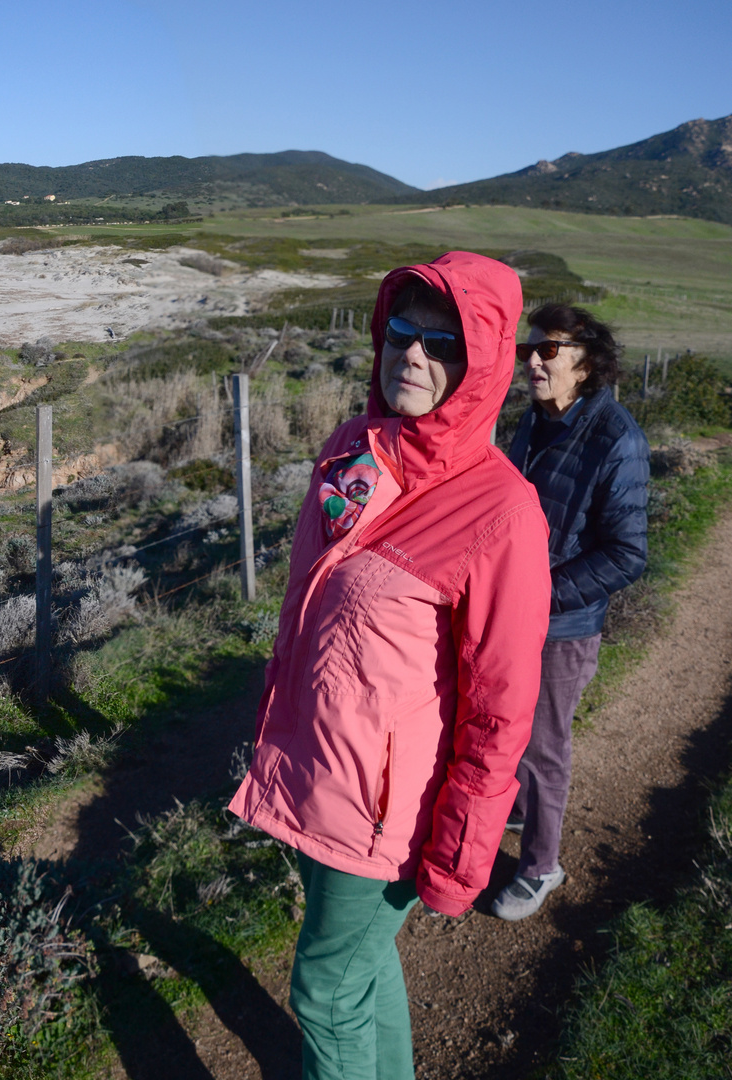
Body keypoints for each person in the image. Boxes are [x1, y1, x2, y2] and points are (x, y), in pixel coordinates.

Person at [229, 251, 551, 1079]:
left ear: (482, 368)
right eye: (401, 333)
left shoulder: (500, 509)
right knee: (360, 967)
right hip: (312, 766)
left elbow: (500, 707)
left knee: (326, 992)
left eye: (442, 344)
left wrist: (461, 855)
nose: (412, 354)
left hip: (380, 811)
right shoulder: (352, 449)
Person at [490, 306, 649, 921]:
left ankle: (541, 866)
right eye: (529, 348)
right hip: (514, 610)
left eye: (549, 350)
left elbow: (628, 554)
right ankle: (527, 809)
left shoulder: (617, 438)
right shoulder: (536, 420)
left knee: (545, 747)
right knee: (513, 731)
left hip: (563, 625)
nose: (532, 359)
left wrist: (538, 595)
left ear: (586, 364)